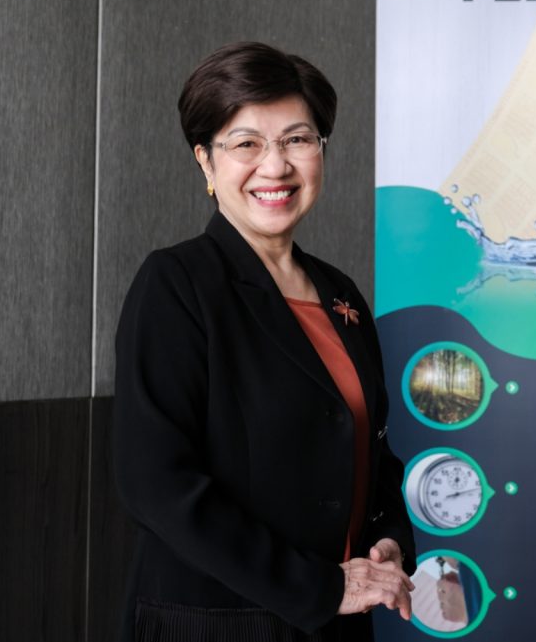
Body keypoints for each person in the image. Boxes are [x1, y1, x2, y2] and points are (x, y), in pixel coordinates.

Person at [114, 42, 417, 642]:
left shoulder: (340, 293)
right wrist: (319, 587)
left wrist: (388, 538)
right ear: (206, 163)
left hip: (337, 623)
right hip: (218, 624)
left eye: (297, 139)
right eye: (246, 143)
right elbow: (155, 484)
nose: (275, 167)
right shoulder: (176, 284)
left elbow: (371, 449)